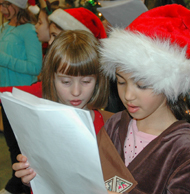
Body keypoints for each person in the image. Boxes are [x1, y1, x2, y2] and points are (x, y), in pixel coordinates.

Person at [97, 4, 190, 193]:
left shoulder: (185, 152)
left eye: (142, 85)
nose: (128, 95)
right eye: (121, 82)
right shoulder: (115, 125)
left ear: (170, 86)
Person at [12, 30, 113, 192]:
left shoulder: (111, 127)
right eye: (66, 82)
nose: (76, 91)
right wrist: (29, 177)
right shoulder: (38, 123)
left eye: (86, 81)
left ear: (98, 80)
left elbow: (121, 181)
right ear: (51, 78)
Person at [0, 0, 42, 193]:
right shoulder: (5, 27)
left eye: (4, 4)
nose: (1, 9)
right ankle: (18, 184)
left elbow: (35, 67)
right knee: (12, 147)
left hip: (22, 97)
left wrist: (4, 59)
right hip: (5, 96)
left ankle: (19, 187)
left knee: (22, 149)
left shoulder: (28, 30)